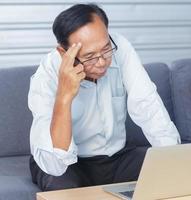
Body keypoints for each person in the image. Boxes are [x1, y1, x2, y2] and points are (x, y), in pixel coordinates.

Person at [28, 3, 180, 191]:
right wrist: (64, 96)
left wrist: (174, 158)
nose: (102, 62)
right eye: (90, 56)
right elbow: (54, 164)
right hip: (66, 165)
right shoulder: (47, 73)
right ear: (64, 52)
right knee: (63, 185)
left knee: (167, 169)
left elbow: (147, 103)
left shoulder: (120, 46)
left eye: (106, 49)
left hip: (115, 159)